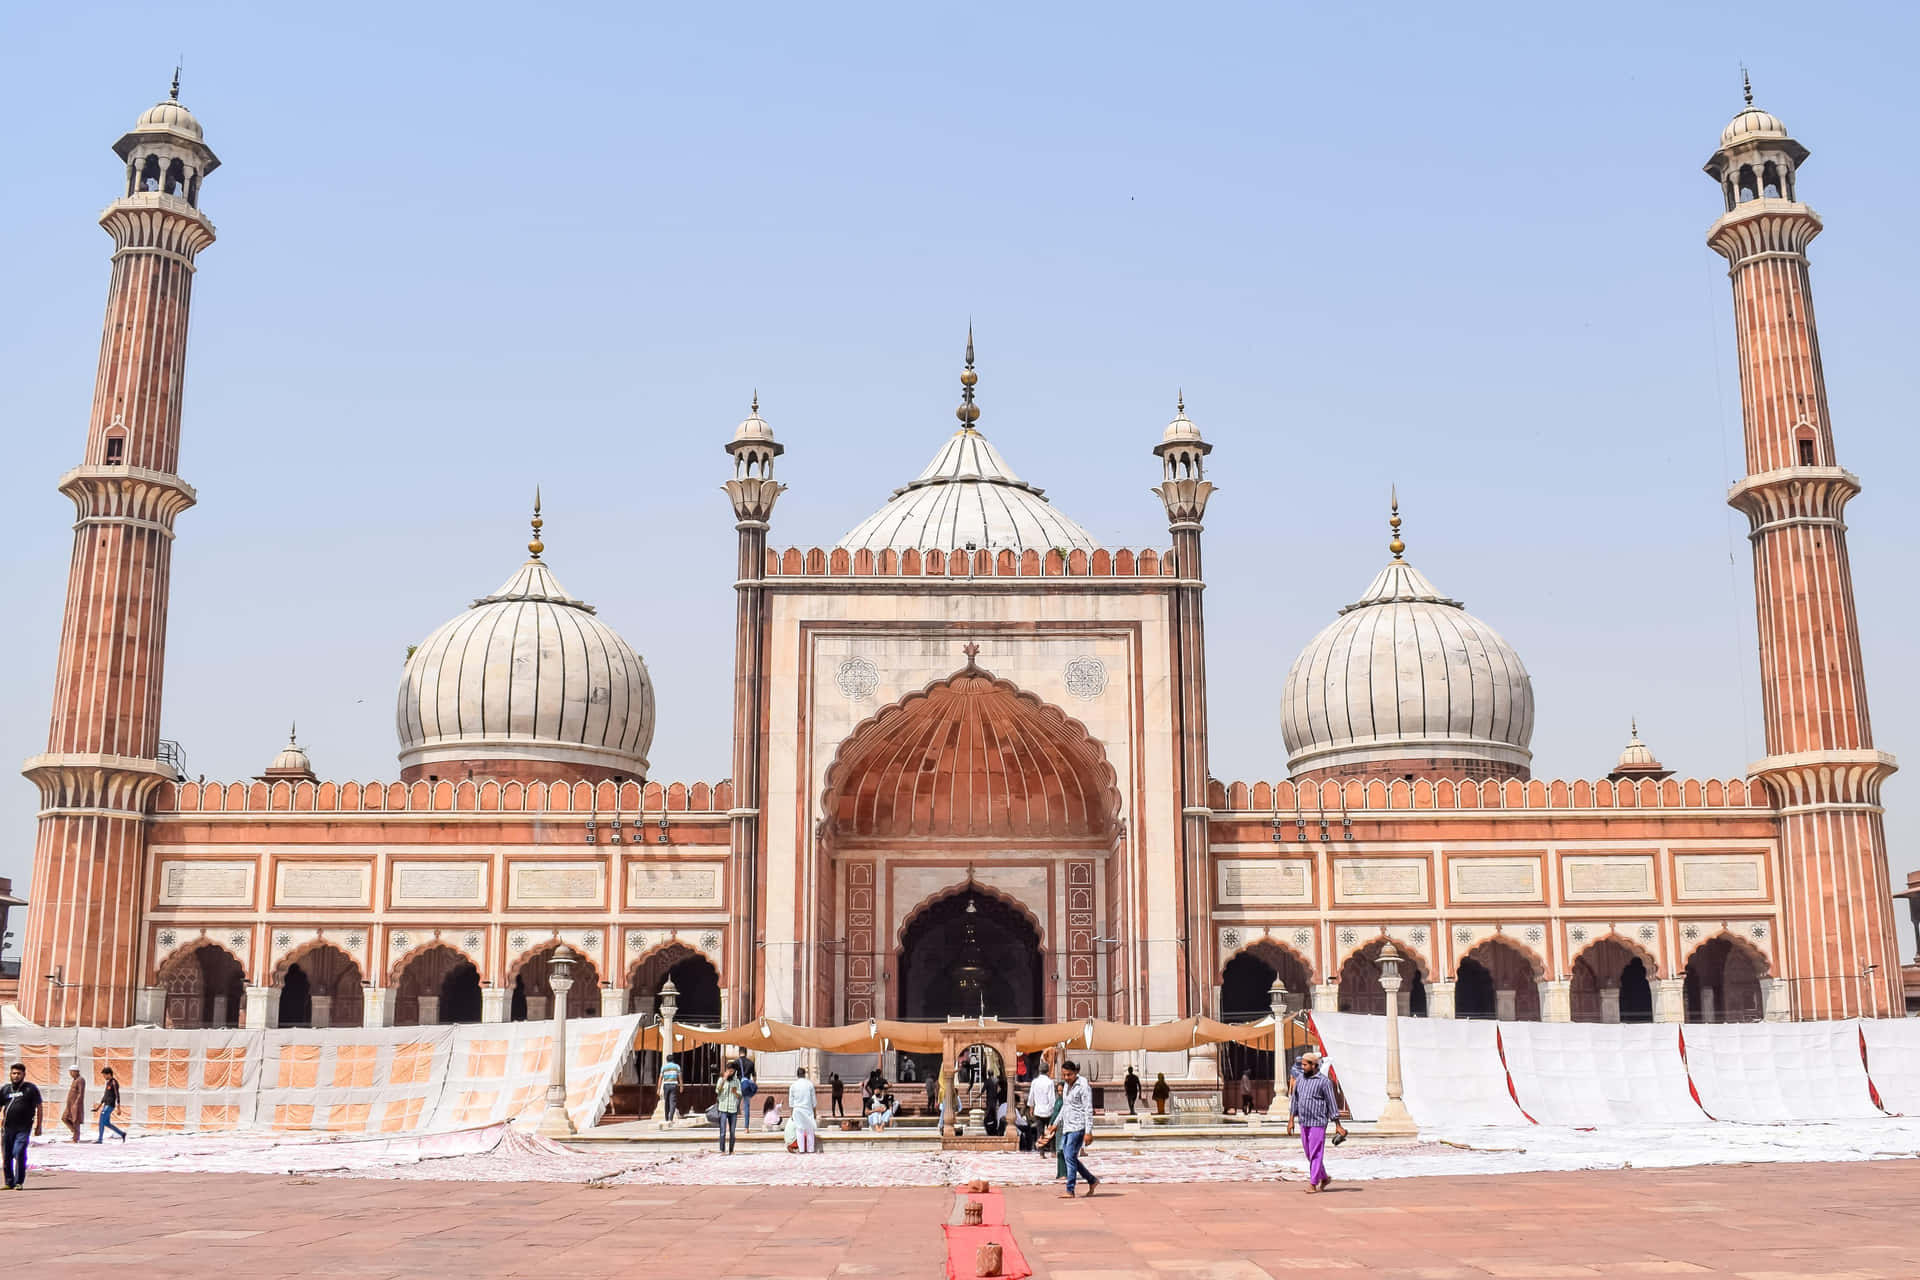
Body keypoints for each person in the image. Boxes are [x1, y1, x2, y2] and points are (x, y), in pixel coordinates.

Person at [1289, 1051, 1345, 1192]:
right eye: (1302, 1064)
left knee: (1316, 1153)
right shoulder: (1300, 1080)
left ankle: (1313, 1183)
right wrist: (1291, 1120)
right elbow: (1295, 1100)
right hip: (1303, 1121)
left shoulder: (1324, 1082)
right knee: (1309, 1153)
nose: (1302, 1067)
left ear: (1314, 1065)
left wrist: (1337, 1125)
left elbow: (1331, 1103)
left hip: (1318, 1122)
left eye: (1305, 1065)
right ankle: (1324, 1177)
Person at [1048, 1059, 1099, 1198]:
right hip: (1068, 1126)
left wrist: (1088, 1132)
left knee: (1069, 1155)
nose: (1066, 1078)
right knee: (1068, 1156)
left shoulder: (1083, 1086)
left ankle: (1070, 1189)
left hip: (1078, 1126)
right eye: (1064, 1075)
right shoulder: (1066, 1085)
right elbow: (1065, 1106)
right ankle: (1091, 1180)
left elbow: (1088, 1109)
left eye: (1069, 1075)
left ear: (1075, 1072)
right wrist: (1055, 1123)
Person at [2, 1063, 44, 1191]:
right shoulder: (5, 1089)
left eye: (18, 1073)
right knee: (7, 1155)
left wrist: (39, 1125)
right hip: (7, 1128)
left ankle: (19, 1182)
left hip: (23, 1128)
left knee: (19, 1152)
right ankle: (9, 1182)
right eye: (14, 1073)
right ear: (10, 1074)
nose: (16, 1076)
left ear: (24, 1075)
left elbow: (39, 1107)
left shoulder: (30, 1089)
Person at [785, 1066, 819, 1153]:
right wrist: (815, 1112)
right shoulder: (809, 1084)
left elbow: (791, 1102)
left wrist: (791, 1114)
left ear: (797, 1075)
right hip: (807, 1109)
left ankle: (801, 1149)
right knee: (810, 1130)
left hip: (797, 1110)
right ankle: (810, 1149)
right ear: (804, 1074)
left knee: (799, 1130)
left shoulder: (793, 1085)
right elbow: (813, 1101)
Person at [714, 1064, 742, 1154]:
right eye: (729, 1070)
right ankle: (722, 1150)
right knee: (723, 1131)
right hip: (723, 1108)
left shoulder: (736, 1081)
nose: (730, 1073)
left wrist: (735, 1092)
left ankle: (731, 1150)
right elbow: (717, 1091)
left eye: (732, 1071)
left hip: (733, 1108)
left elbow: (740, 1095)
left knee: (732, 1131)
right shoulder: (721, 1079)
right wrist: (724, 1080)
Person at [96, 1065, 127, 1142]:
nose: (104, 1077)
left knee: (101, 1121)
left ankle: (100, 1139)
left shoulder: (114, 1082)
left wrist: (119, 1108)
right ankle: (122, 1133)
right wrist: (98, 1107)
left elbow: (117, 1094)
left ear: (109, 1074)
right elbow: (105, 1095)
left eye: (104, 1075)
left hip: (110, 1105)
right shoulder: (108, 1083)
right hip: (106, 1104)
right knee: (106, 1123)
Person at [61, 1066, 86, 1143]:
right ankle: (74, 1132)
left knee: (76, 1120)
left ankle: (76, 1138)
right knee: (64, 1118)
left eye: (71, 1072)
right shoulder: (74, 1080)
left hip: (76, 1104)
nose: (70, 1074)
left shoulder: (80, 1080)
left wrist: (76, 1103)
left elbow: (80, 1093)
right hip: (70, 1104)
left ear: (76, 1072)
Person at [734, 1051, 757, 1129]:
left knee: (735, 1106)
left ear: (739, 1052)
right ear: (746, 1053)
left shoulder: (736, 1062)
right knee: (746, 1106)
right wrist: (753, 1086)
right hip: (747, 1086)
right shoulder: (751, 1063)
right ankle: (746, 1128)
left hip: (738, 1086)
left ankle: (732, 1126)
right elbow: (754, 1076)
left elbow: (732, 1075)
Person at [658, 1055, 682, 1125]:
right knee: (673, 1102)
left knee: (666, 1102)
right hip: (674, 1085)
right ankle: (670, 1118)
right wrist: (681, 1086)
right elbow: (680, 1076)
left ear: (667, 1060)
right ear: (673, 1059)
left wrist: (658, 1088)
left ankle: (666, 1118)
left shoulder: (664, 1067)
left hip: (666, 1085)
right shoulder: (677, 1066)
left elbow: (660, 1078)